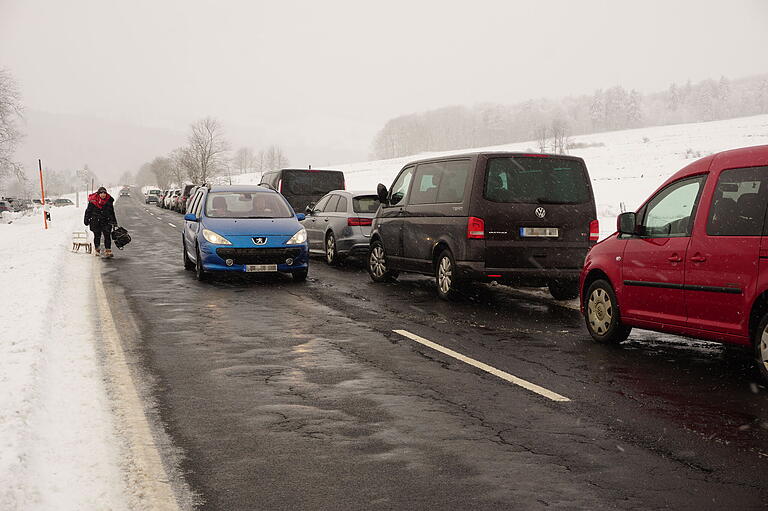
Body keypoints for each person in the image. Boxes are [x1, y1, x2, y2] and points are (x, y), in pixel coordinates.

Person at [84, 186, 117, 258]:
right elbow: (88, 211)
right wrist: (86, 220)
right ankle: (97, 250)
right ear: (98, 194)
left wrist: (114, 222)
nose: (103, 195)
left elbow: (111, 212)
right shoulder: (93, 201)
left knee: (107, 236)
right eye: (101, 193)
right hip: (96, 221)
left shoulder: (109, 201)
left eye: (104, 193)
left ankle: (108, 250)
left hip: (106, 221)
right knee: (97, 236)